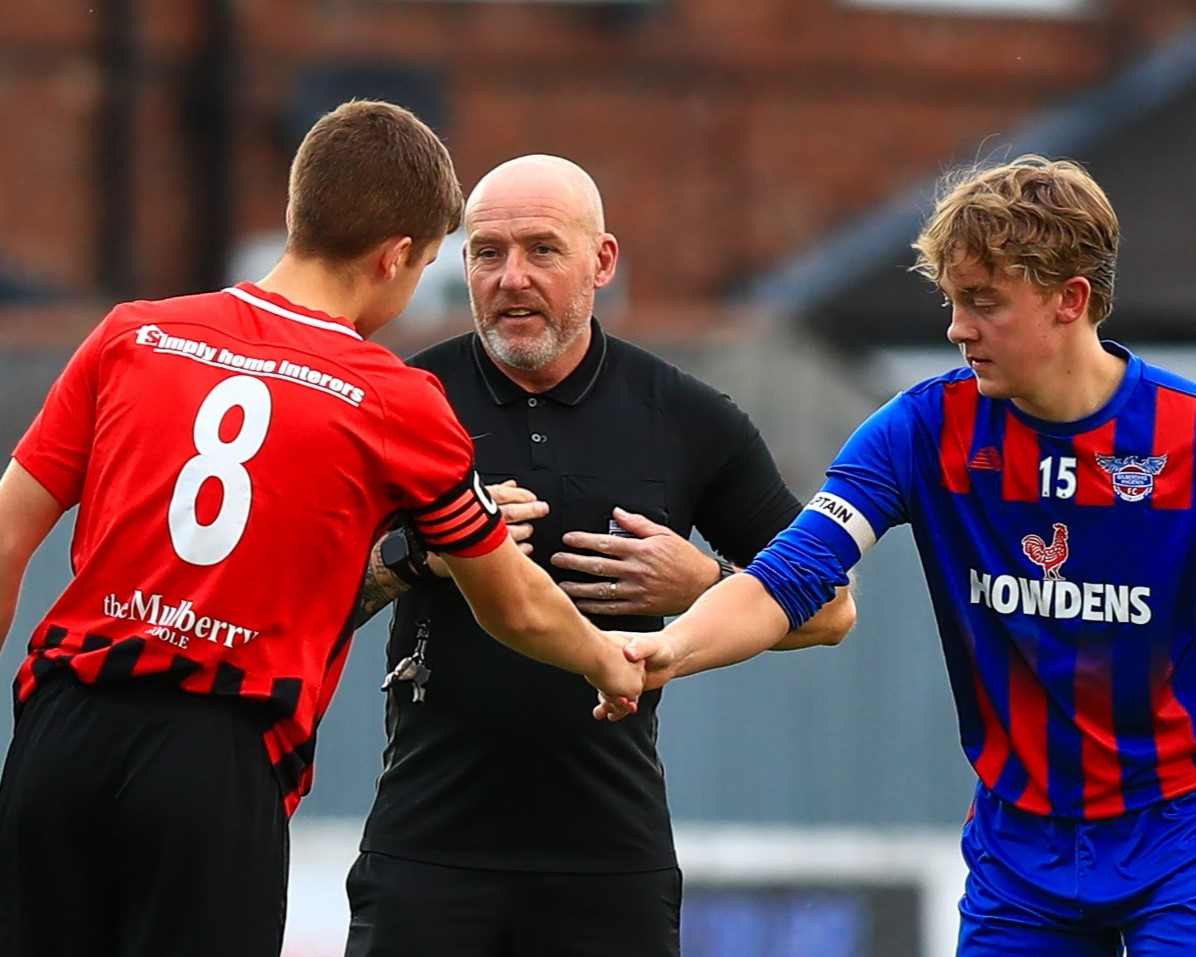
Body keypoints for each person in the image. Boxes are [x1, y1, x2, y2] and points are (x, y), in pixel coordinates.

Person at [0, 103, 642, 957]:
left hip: (62, 733)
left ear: (301, 213)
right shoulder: (398, 400)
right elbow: (512, 603)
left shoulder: (133, 334)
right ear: (396, 256)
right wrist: (608, 658)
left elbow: (8, 533)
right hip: (214, 757)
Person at [606, 155, 1196, 955]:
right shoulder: (924, 429)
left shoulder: (1182, 436)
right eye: (953, 302)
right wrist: (667, 647)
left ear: (1071, 300)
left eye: (984, 303)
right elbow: (794, 572)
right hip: (1020, 851)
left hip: (1179, 836)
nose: (957, 328)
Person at [344, 154, 855, 957]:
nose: (512, 278)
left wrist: (704, 582)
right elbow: (313, 592)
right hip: (425, 851)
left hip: (610, 864)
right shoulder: (407, 399)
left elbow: (832, 610)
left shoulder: (686, 417)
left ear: (602, 262)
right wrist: (423, 554)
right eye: (487, 252)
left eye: (542, 249)